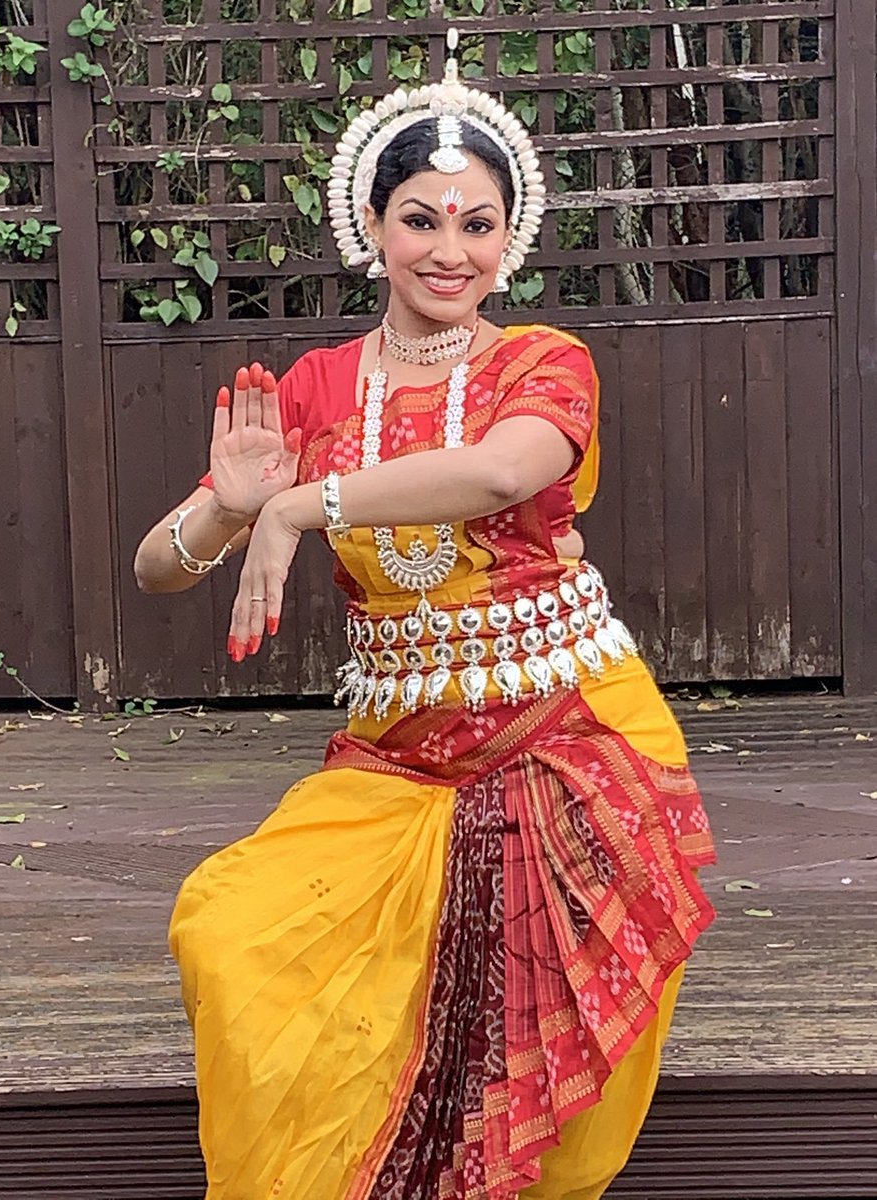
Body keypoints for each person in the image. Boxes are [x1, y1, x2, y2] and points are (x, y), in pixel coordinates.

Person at [135, 31, 715, 1200]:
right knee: (234, 936)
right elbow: (159, 566)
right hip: (398, 760)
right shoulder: (314, 391)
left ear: (509, 240)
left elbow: (503, 475)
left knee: (547, 1055)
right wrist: (230, 514)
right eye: (421, 218)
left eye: (476, 223)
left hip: (566, 741)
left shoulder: (542, 364)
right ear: (372, 227)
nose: (449, 250)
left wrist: (304, 504)